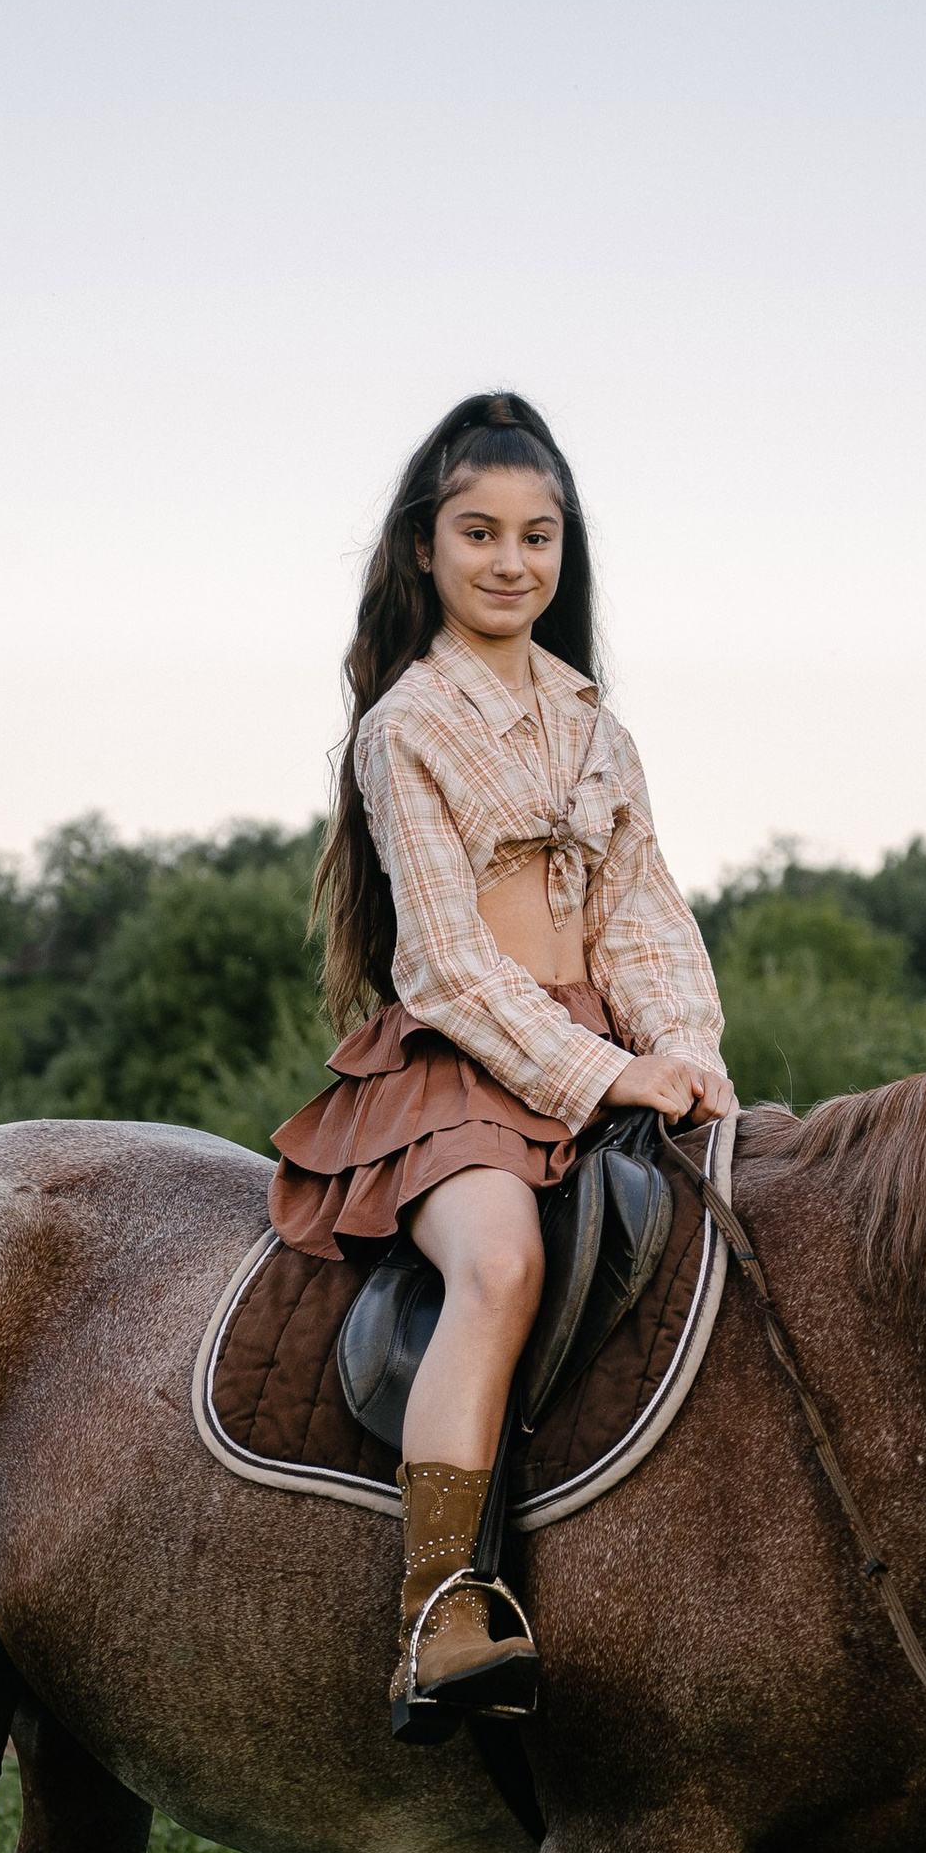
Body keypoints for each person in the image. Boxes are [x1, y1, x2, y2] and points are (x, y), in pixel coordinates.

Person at [274, 391, 736, 1732]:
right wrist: (600, 1076)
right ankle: (440, 1608)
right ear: (428, 548)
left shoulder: (599, 730)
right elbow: (443, 965)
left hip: (608, 1049)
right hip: (465, 1067)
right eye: (479, 533)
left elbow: (644, 916)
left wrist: (686, 1049)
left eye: (538, 537)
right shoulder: (406, 728)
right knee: (501, 1261)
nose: (510, 562)